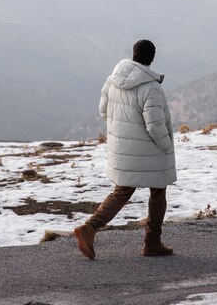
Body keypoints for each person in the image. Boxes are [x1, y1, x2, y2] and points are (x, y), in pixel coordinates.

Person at [74, 39, 176, 259]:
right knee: (158, 192)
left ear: (134, 54)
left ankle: (90, 227)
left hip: (122, 149)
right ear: (152, 58)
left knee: (121, 192)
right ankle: (152, 243)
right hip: (149, 151)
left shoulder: (112, 80)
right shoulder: (151, 87)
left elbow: (103, 111)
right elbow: (155, 125)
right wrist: (167, 146)